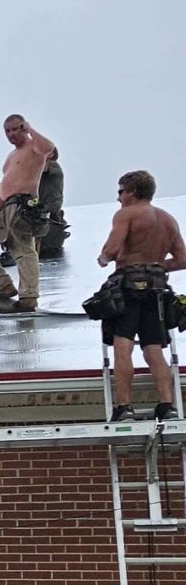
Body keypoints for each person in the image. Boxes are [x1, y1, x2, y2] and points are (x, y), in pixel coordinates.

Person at [96, 170, 186, 424]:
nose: (118, 198)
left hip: (128, 288)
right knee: (154, 349)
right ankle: (167, 406)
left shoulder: (127, 214)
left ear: (133, 191)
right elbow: (183, 259)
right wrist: (155, 265)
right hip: (157, 290)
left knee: (123, 345)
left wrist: (104, 258)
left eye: (121, 191)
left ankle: (125, 407)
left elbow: (112, 250)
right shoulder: (168, 220)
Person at [0, 113, 56, 314]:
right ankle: (4, 286)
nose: (11, 134)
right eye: (8, 131)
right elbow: (5, 188)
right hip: (4, 209)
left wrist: (30, 129)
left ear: (23, 128)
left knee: (23, 249)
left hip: (23, 206)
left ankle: (28, 297)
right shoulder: (10, 157)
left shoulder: (34, 147)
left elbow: (49, 148)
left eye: (16, 129)